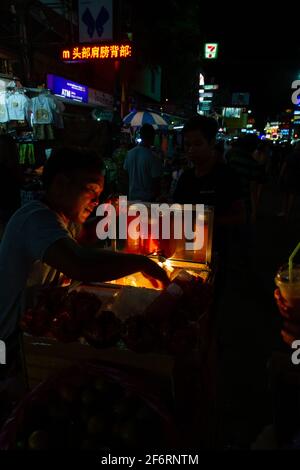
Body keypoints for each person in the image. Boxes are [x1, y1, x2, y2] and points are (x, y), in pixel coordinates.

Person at [0, 147, 169, 345]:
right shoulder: (36, 218)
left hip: (37, 334)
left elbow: (85, 236)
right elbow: (80, 264)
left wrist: (113, 216)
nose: (96, 202)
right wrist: (143, 263)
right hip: (13, 345)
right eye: (91, 191)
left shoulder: (63, 219)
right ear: (61, 184)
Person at [123, 123, 162, 201]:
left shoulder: (129, 153)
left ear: (140, 136)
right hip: (147, 200)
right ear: (152, 137)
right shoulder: (153, 157)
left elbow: (125, 176)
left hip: (131, 198)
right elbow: (156, 182)